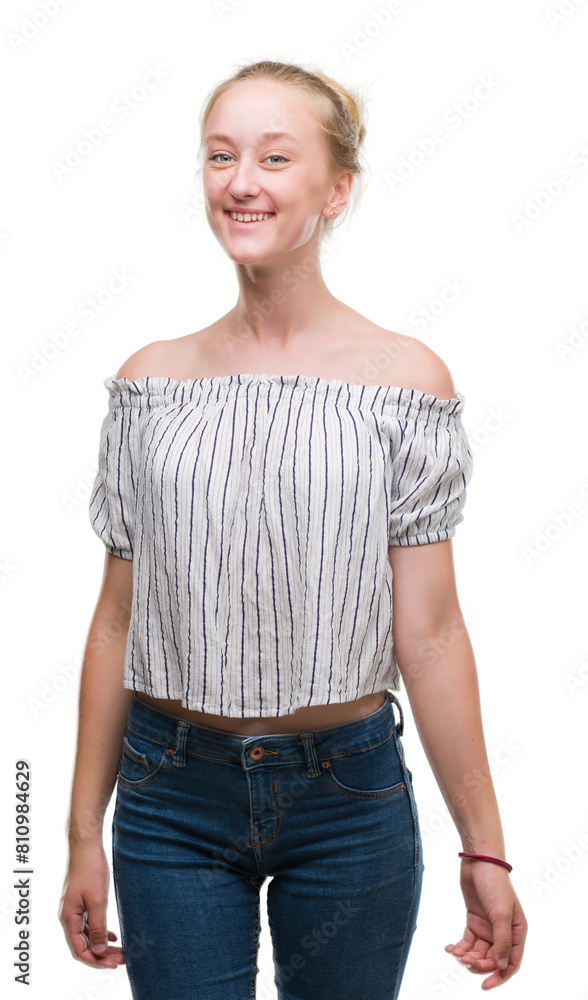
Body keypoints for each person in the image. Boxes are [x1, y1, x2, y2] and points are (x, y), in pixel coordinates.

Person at [58, 59, 527, 999]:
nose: (241, 181)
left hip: (348, 801)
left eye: (276, 157)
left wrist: (488, 848)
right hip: (169, 800)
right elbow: (117, 622)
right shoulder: (151, 384)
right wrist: (78, 836)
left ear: (337, 190)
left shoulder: (404, 383)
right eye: (221, 155)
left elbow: (429, 634)